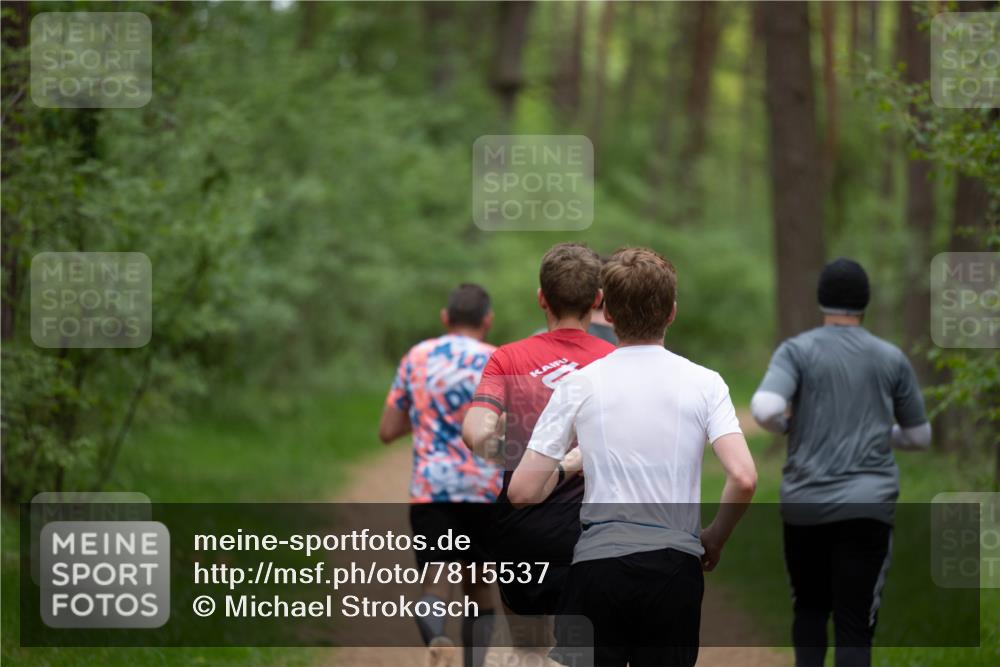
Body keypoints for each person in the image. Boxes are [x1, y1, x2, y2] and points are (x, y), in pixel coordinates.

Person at [508, 247, 757, 667]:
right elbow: (745, 477)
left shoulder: (579, 384)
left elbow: (523, 490)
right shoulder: (705, 383)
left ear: (606, 311)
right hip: (675, 567)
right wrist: (714, 536)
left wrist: (571, 462)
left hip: (598, 567)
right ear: (672, 312)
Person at [750, 258, 931, 667]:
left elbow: (764, 408)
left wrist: (788, 424)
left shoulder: (797, 351)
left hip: (805, 506)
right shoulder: (891, 358)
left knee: (810, 610)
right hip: (868, 507)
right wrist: (883, 432)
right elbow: (920, 436)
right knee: (854, 624)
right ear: (865, 302)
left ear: (821, 300)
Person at [461, 243, 615, 651]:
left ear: (541, 298)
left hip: (520, 529)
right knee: (584, 653)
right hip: (592, 534)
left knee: (528, 652)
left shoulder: (507, 358)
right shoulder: (617, 362)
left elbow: (475, 431)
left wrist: (511, 453)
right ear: (598, 300)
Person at [379, 283, 503, 667]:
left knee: (436, 579)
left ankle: (437, 637)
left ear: (445, 318)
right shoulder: (499, 360)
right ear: (487, 321)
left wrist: (426, 418)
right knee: (480, 587)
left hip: (432, 488)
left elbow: (387, 430)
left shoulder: (417, 357)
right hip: (484, 490)